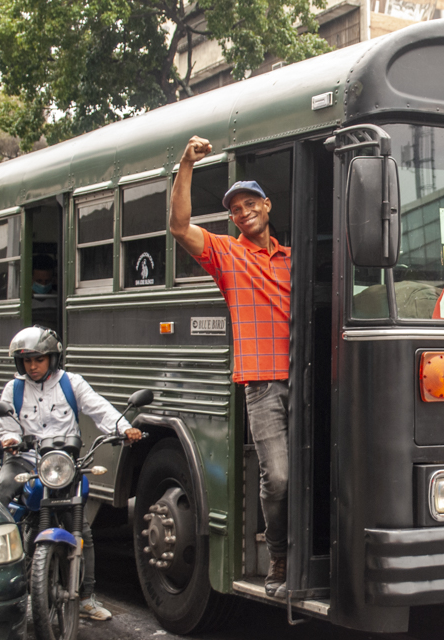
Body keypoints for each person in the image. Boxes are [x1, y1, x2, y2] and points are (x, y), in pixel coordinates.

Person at [169, 135, 292, 597]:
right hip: (261, 382)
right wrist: (186, 164)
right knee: (277, 476)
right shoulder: (228, 254)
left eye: (249, 204)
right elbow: (179, 226)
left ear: (267, 205)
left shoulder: (292, 260)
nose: (243, 213)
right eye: (235, 209)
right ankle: (278, 556)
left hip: (306, 377)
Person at [0, 325, 142, 621]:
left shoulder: (71, 383)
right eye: (27, 361)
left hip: (64, 464)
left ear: (53, 358)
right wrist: (9, 439)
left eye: (38, 359)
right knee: (0, 497)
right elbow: (7, 425)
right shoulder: (15, 388)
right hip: (26, 460)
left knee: (83, 529)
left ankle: (86, 597)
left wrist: (124, 428)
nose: (32, 367)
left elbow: (98, 408)